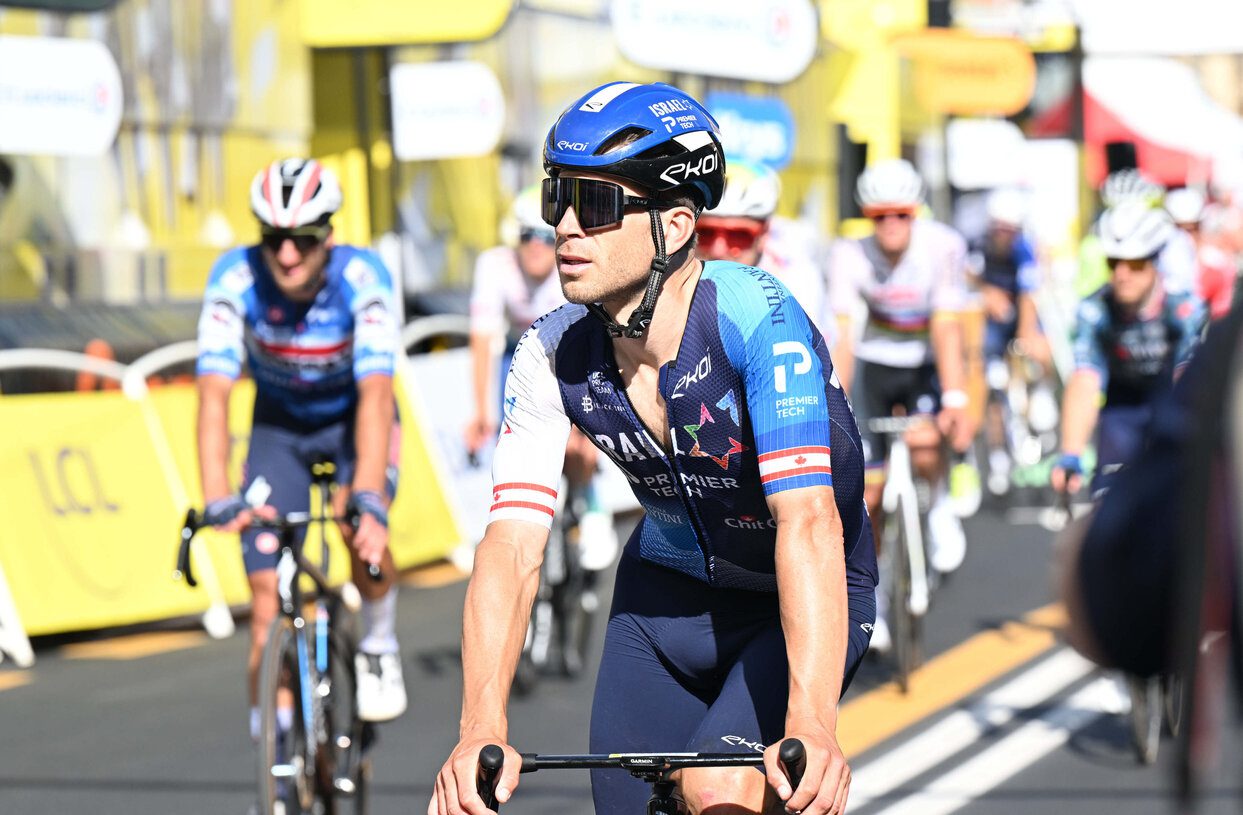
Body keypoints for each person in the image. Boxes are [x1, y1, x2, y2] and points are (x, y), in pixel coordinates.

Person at [430, 81, 876, 815]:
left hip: (790, 597)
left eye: (596, 203)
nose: (565, 226)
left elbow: (807, 520)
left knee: (720, 788)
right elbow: (511, 546)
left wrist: (812, 724)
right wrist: (479, 727)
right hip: (662, 604)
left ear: (674, 224)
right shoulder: (550, 352)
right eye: (557, 197)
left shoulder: (756, 318)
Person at [195, 158, 408, 751]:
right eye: (273, 238)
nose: (287, 254)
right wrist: (217, 495)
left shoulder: (363, 277)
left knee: (358, 530)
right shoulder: (234, 276)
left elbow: (376, 394)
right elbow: (213, 394)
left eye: (304, 239)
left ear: (329, 237)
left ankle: (379, 642)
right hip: (280, 429)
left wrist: (369, 497)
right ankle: (278, 755)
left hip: (352, 422)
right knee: (265, 600)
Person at [463, 182, 617, 672]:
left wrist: (583, 428)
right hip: (522, 354)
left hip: (575, 351)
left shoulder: (570, 264)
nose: (535, 246)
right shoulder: (493, 266)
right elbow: (483, 341)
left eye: (542, 236)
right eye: (525, 236)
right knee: (513, 440)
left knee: (579, 444)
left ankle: (589, 506)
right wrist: (480, 412)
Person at [827, 158, 974, 651]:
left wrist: (955, 397)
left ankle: (939, 508)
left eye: (901, 215)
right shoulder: (848, 253)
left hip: (924, 362)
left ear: (916, 213)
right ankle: (878, 600)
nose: (891, 224)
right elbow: (845, 338)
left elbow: (947, 327)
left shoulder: (942, 246)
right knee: (868, 496)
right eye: (880, 216)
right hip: (875, 365)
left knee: (926, 444)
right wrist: (833, 404)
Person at [1050, 201, 1206, 498]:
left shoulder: (1184, 309)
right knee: (1106, 510)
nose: (1122, 274)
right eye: (1114, 262)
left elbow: (1187, 377)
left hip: (1170, 408)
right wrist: (1071, 453)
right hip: (1120, 416)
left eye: (1135, 264)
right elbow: (1085, 380)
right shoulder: (1094, 310)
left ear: (1155, 262)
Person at [694, 158, 836, 346]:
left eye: (738, 236)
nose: (718, 250)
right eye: (706, 233)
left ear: (764, 234)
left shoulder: (797, 278)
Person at [969, 188, 1053, 495]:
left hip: (1021, 310)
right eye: (1000, 230)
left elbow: (1030, 296)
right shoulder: (977, 246)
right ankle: (997, 453)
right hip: (994, 318)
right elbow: (966, 275)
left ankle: (1041, 391)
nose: (1005, 237)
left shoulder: (1025, 249)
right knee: (991, 379)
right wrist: (987, 292)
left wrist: (1026, 336)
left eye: (1011, 231)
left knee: (1039, 346)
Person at [1165, 186, 1237, 320]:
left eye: (1192, 229)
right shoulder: (1160, 261)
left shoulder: (1217, 261)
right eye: (1180, 229)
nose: (1186, 237)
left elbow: (1222, 309)